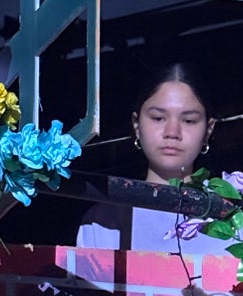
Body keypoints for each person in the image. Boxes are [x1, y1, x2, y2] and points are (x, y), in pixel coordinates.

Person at [76, 63, 218, 252]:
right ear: (136, 124)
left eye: (189, 120)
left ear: (208, 130)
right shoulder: (104, 222)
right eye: (158, 118)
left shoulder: (236, 218)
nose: (172, 133)